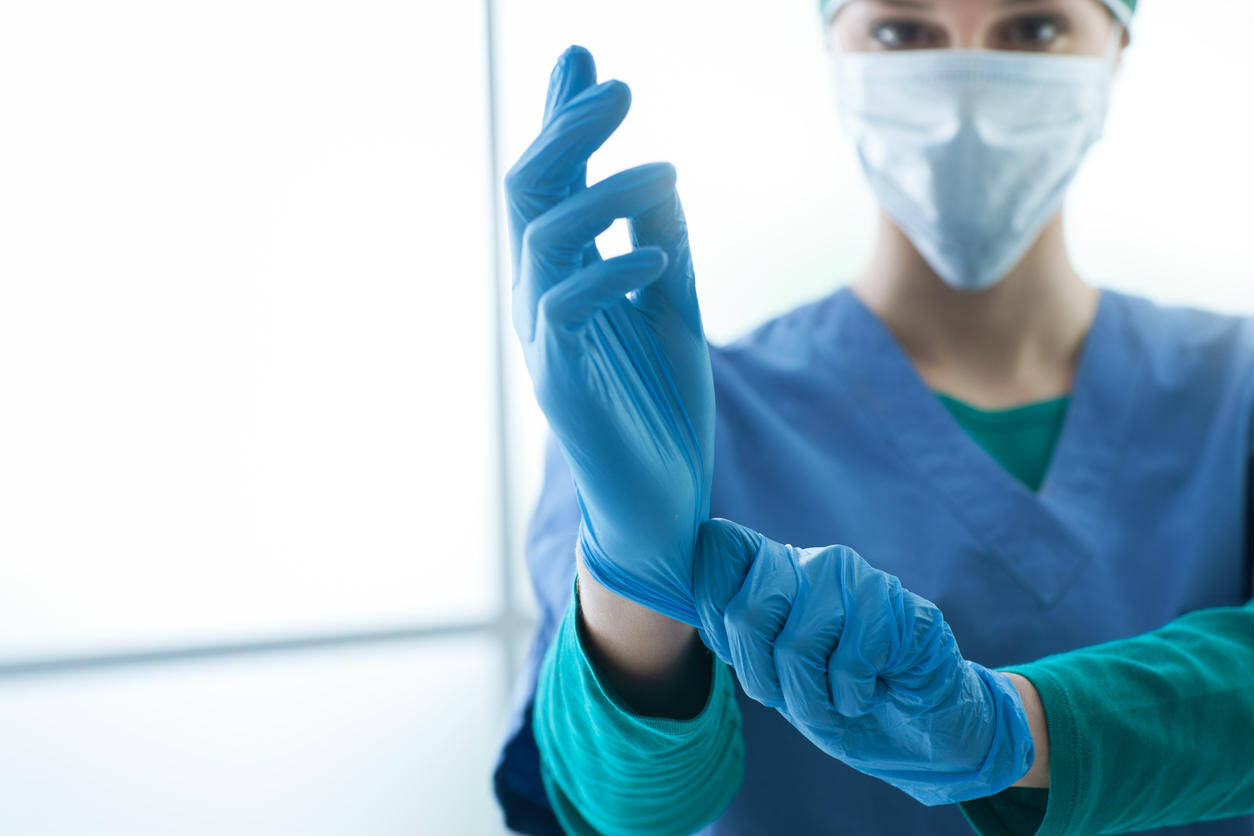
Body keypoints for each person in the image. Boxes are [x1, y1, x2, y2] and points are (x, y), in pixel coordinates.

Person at [493, 0, 1254, 833]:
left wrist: (1011, 731)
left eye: (1032, 28)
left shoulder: (1239, 391)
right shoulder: (661, 424)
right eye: (903, 31)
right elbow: (619, 815)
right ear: (834, 48)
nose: (965, 89)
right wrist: (630, 582)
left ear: (1117, 46)